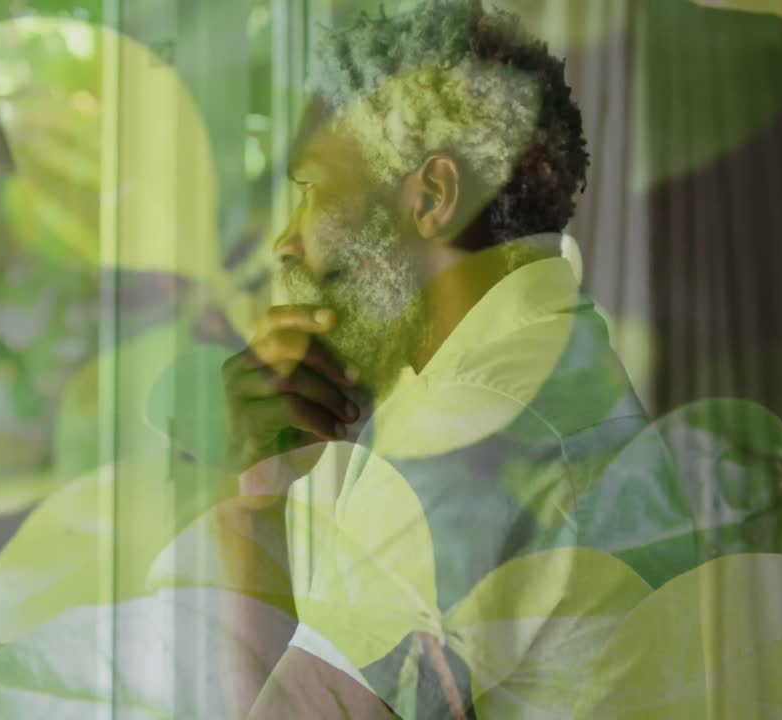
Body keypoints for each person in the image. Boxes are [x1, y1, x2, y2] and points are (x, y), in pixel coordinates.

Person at [215, 1, 649, 716]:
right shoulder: (561, 378)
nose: (286, 242)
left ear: (434, 197)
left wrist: (253, 503)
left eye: (313, 192)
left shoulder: (465, 435)